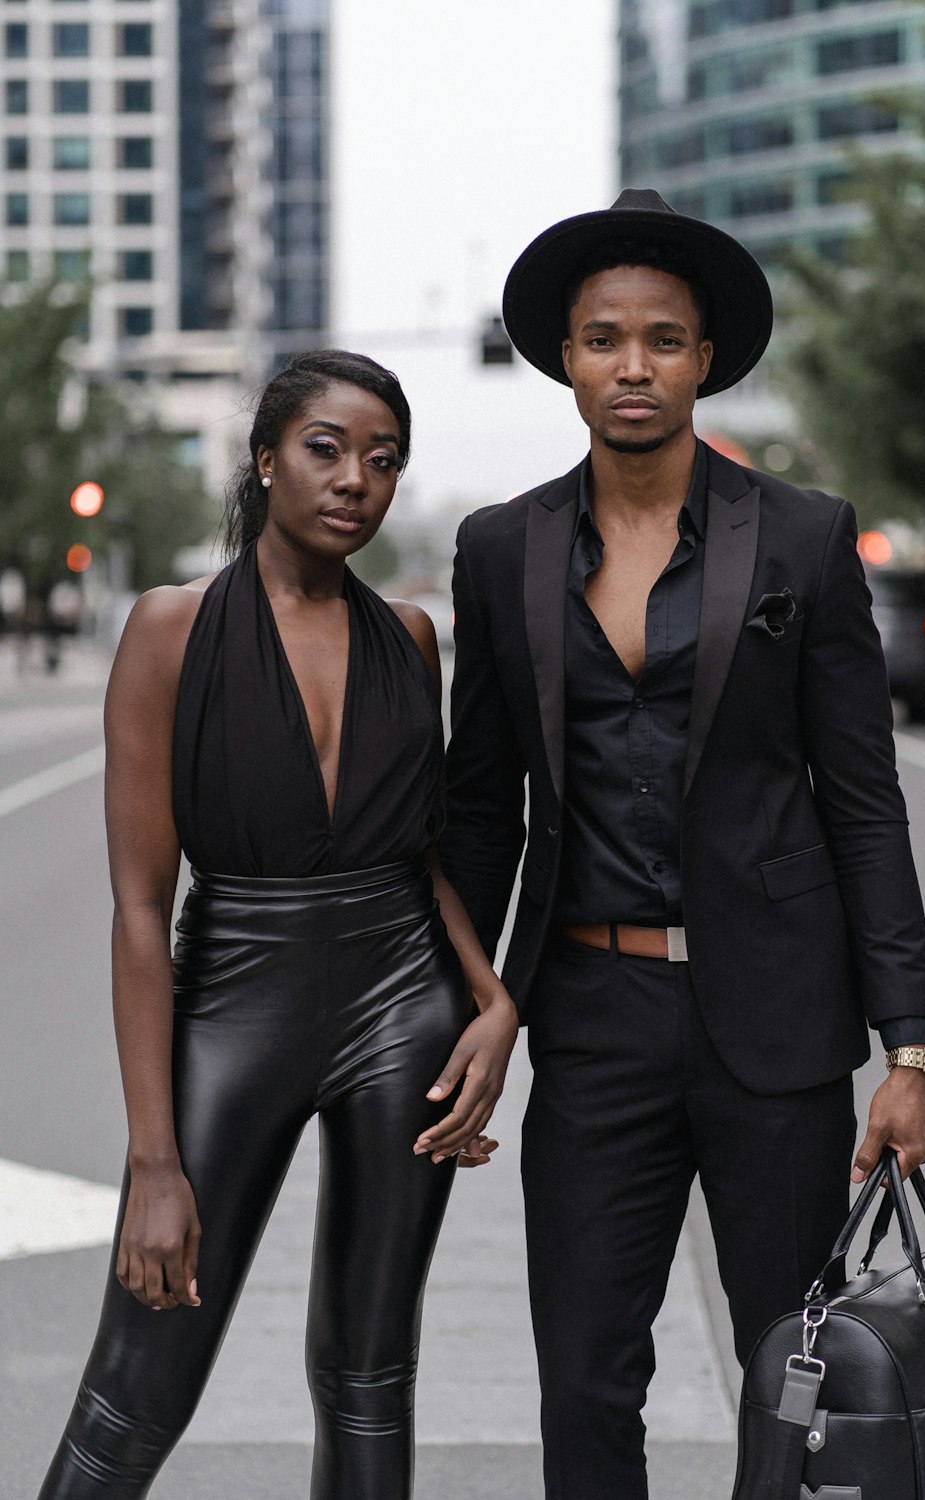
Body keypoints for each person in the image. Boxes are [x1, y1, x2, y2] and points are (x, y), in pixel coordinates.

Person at [440, 190, 925, 1500]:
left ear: (706, 356)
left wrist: (910, 1051)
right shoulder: (501, 552)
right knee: (586, 1379)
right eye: (605, 339)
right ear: (567, 356)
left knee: (794, 1374)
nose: (633, 366)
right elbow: (483, 805)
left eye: (663, 339)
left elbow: (864, 800)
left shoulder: (804, 534)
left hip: (775, 1022)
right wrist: (467, 1004)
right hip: (593, 1015)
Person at [38, 349, 519, 1500]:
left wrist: (493, 999)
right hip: (234, 1003)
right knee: (139, 1378)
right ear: (264, 462)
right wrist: (155, 1162)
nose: (355, 478)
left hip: (404, 1007)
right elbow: (143, 908)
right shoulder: (170, 630)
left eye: (384, 460)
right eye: (326, 448)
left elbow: (420, 856)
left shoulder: (408, 637)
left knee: (368, 1376)